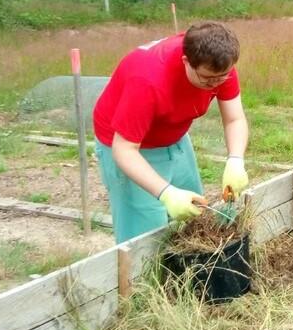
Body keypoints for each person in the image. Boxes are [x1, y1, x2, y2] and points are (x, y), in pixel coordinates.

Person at [93, 21, 250, 243]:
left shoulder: (219, 65)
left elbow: (234, 119)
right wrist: (166, 193)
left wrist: (236, 160)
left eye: (223, 76)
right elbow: (124, 150)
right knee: (145, 236)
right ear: (186, 61)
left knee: (194, 215)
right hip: (129, 146)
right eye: (207, 78)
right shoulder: (147, 80)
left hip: (173, 136)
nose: (216, 83)